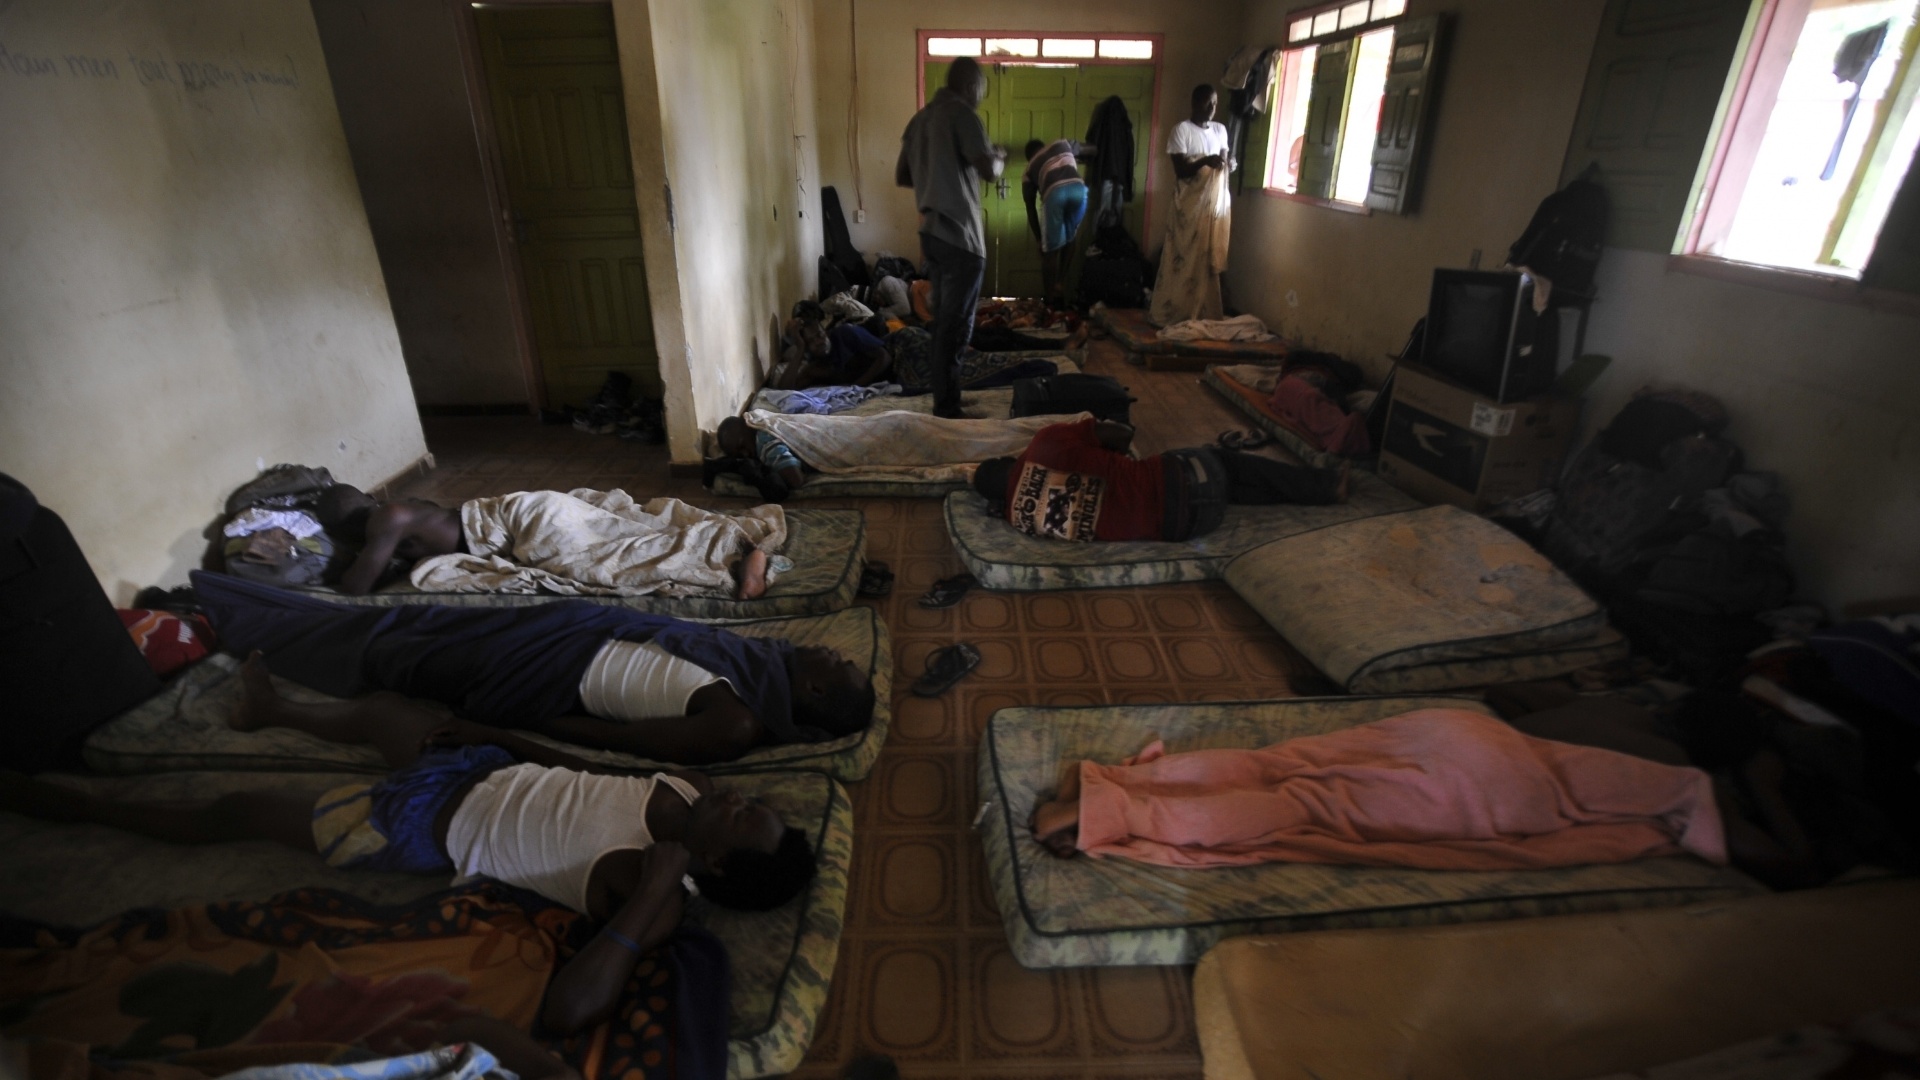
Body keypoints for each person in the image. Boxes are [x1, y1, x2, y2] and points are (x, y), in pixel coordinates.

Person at [0, 653, 815, 1038]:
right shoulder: (692, 792)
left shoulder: (654, 892)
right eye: (754, 802)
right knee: (388, 708)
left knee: (239, 810)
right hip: (480, 768)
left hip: (417, 826)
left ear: (715, 865)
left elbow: (570, 1009)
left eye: (745, 819)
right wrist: (499, 733)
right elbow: (585, 770)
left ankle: (77, 808)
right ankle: (273, 713)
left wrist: (645, 901)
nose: (741, 796)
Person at [1027, 699, 1824, 889]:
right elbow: (1792, 866)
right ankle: (1120, 802)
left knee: (1283, 774)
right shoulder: (1658, 780)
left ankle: (1123, 795)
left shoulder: (1626, 759)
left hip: (1455, 734)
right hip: (1471, 771)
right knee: (1299, 794)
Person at [189, 571, 875, 766]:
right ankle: (241, 605)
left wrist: (514, 719)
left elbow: (614, 740)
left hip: (533, 670)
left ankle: (223, 623)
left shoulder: (735, 723)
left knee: (385, 653)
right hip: (566, 629)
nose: (832, 649)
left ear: (812, 691)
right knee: (399, 619)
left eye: (837, 664)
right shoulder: (765, 663)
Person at [318, 485, 780, 600]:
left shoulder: (385, 520)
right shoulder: (397, 510)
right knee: (634, 536)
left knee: (605, 561)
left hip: (528, 523)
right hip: (532, 508)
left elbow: (357, 589)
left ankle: (736, 554)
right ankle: (739, 550)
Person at [970, 417, 1347, 543]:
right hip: (1189, 478)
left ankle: (1299, 491)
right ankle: (1324, 485)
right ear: (1010, 460)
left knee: (1225, 488)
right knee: (1226, 465)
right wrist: (1114, 460)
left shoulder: (1019, 518)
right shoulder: (1044, 442)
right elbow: (1118, 429)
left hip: (1186, 527)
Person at [896, 56, 1005, 419]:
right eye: (981, 91)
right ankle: (947, 407)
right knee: (956, 325)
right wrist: (1000, 158)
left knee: (943, 322)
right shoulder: (961, 114)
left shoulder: (919, 120)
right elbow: (988, 169)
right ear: (971, 85)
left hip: (932, 234)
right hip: (961, 236)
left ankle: (947, 397)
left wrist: (936, 177)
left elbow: (903, 175)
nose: (979, 98)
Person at [1149, 84, 1233, 327]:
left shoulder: (1220, 130)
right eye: (1207, 103)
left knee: (1206, 259)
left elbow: (1225, 161)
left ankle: (1203, 311)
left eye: (1215, 103)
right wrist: (1205, 161)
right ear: (1195, 102)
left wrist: (1229, 164)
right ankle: (1174, 311)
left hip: (1211, 207)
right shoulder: (1181, 131)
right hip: (1188, 206)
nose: (1212, 108)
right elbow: (1181, 170)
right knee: (1182, 256)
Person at [1021, 138, 1096, 306]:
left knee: (1050, 251)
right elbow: (1091, 150)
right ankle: (1060, 283)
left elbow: (1030, 207)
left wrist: (1040, 239)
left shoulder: (1028, 169)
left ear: (1029, 156)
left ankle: (1049, 300)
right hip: (1079, 190)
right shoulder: (1062, 144)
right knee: (1071, 238)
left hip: (1055, 194)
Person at [773, 300, 892, 389]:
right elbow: (784, 390)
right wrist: (800, 348)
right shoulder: (816, 368)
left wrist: (855, 387)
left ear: (825, 331)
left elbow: (885, 356)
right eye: (810, 341)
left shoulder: (845, 334)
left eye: (819, 335)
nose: (819, 342)